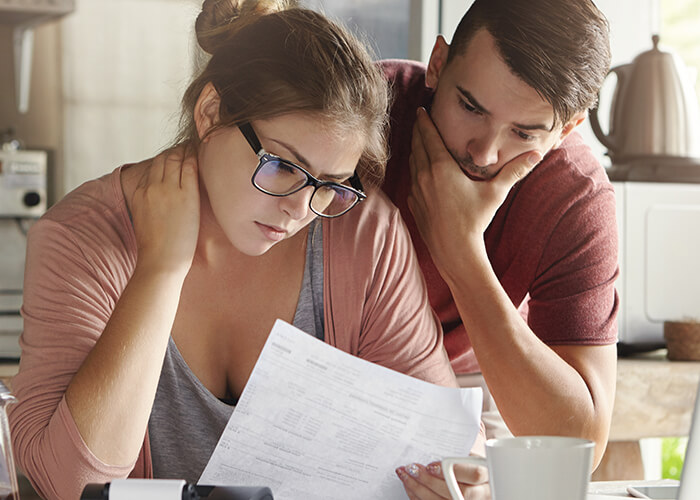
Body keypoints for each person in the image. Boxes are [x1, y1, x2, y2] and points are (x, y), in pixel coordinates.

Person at [8, 1, 483, 498]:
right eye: (282, 165)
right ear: (211, 112)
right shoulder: (82, 238)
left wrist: (463, 482)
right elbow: (67, 485)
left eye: (331, 184)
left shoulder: (362, 233)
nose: (300, 209)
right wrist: (161, 269)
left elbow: (443, 446)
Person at [389, 0, 619, 498]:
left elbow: (580, 442)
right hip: (327, 357)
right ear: (437, 64)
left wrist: (461, 253)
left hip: (475, 376)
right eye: (470, 107)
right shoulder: (363, 111)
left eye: (524, 133)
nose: (484, 152)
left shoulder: (575, 195)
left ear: (568, 129)